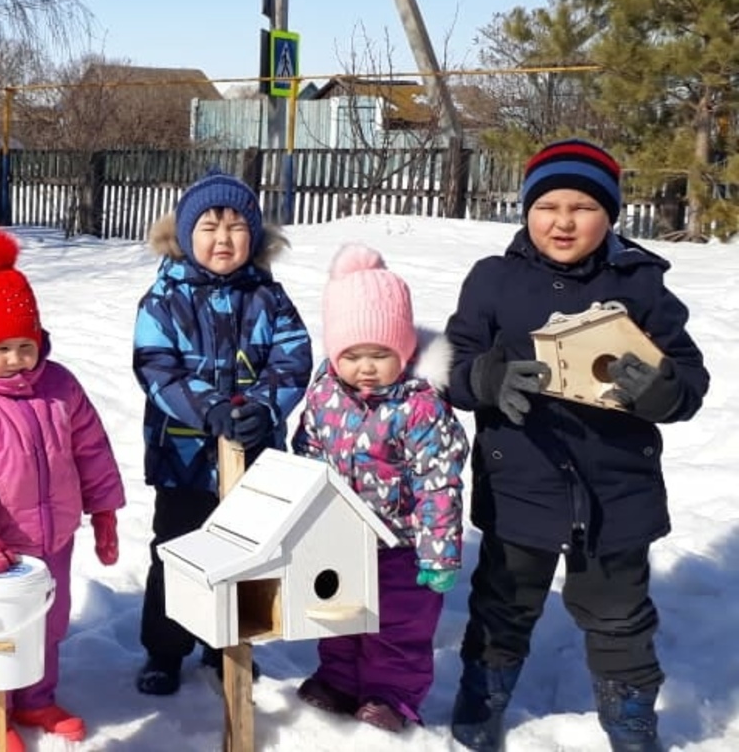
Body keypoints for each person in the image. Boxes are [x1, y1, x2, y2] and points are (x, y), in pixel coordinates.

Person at [443, 139, 709, 752]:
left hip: (616, 494)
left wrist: (659, 389)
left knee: (620, 617)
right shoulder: (493, 280)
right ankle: (480, 705)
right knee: (502, 608)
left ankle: (631, 720)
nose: (563, 221)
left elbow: (690, 383)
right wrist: (485, 377)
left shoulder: (640, 285)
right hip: (520, 487)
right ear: (526, 210)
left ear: (610, 215)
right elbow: (451, 363)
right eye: (548, 206)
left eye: (583, 207)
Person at [0, 226, 126, 752]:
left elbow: (91, 450)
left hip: (53, 537)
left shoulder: (59, 385)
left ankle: (37, 697)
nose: (16, 359)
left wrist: (103, 510)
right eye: (1, 348)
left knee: (47, 624)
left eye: (25, 346)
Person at [131, 170, 312, 695]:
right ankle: (164, 650)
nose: (224, 238)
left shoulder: (269, 297)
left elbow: (294, 358)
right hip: (183, 460)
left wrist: (264, 407)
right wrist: (208, 408)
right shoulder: (164, 298)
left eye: (236, 227)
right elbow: (155, 367)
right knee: (178, 551)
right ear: (187, 234)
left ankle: (226, 643)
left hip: (252, 456)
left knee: (243, 555)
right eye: (210, 226)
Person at [291, 243, 469, 732]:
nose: (365, 366)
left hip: (403, 544)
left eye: (380, 354)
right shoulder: (325, 392)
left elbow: (439, 484)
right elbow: (307, 449)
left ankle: (392, 695)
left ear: (405, 350)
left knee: (398, 625)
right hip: (341, 536)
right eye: (352, 354)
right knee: (339, 613)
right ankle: (340, 680)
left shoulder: (420, 406)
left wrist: (438, 555)